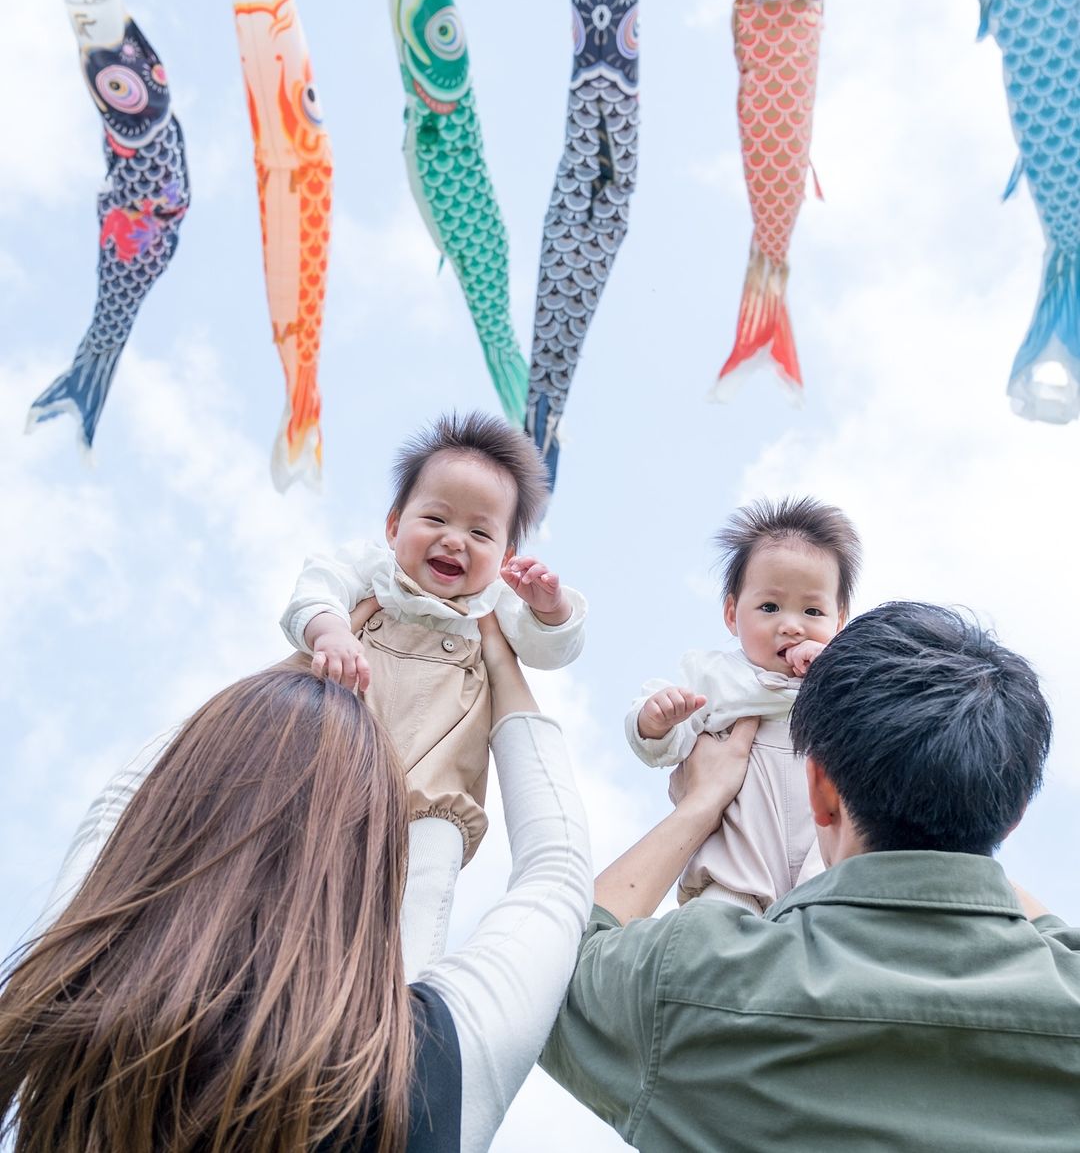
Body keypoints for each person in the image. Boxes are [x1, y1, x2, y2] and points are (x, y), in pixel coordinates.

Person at [0, 620, 591, 1153]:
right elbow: (557, 869)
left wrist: (327, 638)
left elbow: (124, 805)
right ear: (383, 857)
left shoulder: (68, 1001)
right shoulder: (428, 1066)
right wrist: (500, 664)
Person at [543, 601, 1080, 1151]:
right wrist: (971, 823)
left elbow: (547, 967)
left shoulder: (692, 978)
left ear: (819, 789)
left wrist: (702, 803)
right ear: (1015, 817)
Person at [280, 411, 587, 972]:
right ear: (394, 525)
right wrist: (330, 632)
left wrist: (551, 608)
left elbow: (551, 650)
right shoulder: (373, 573)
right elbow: (316, 588)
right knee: (290, 866)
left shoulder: (495, 607)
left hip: (433, 793)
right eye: (436, 518)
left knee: (422, 885)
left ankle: (401, 984)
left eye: (480, 533)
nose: (454, 540)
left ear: (505, 558)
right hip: (329, 760)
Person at [625, 496, 860, 911]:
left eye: (812, 610)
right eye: (770, 607)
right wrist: (657, 720)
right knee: (714, 930)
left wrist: (833, 672)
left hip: (824, 880)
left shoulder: (844, 684)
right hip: (734, 876)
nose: (791, 625)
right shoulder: (717, 677)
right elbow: (668, 743)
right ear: (733, 614)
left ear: (838, 621)